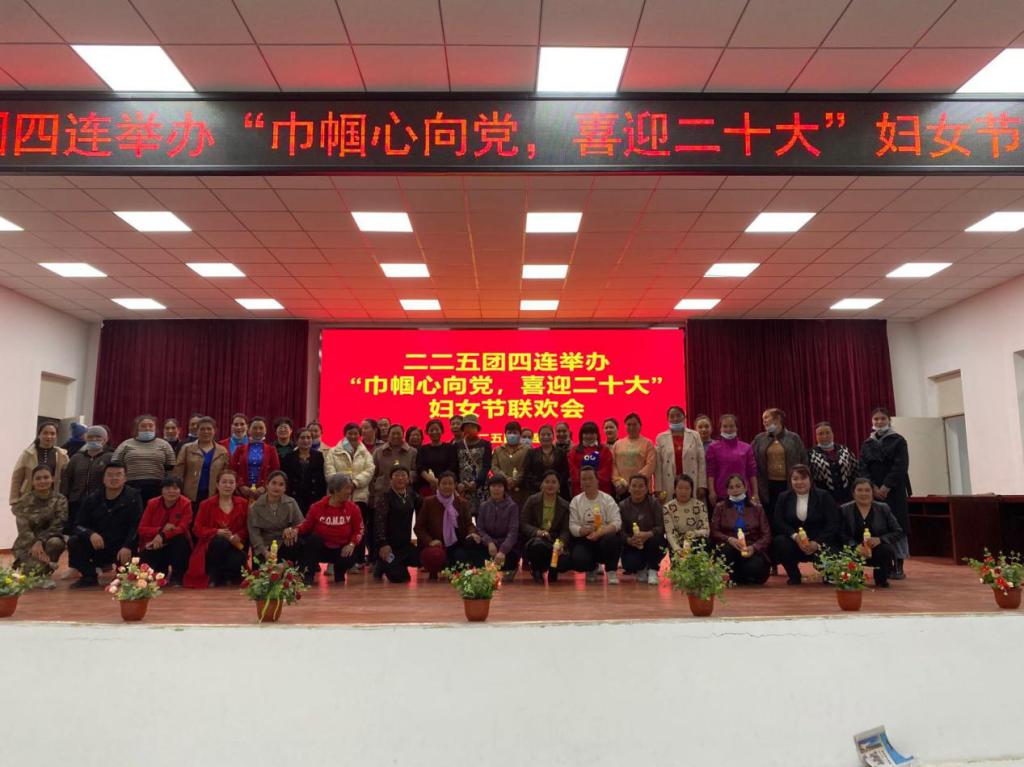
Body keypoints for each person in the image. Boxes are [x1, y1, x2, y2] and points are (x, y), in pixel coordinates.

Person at [68, 462, 143, 588]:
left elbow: (136, 525)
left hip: (122, 546)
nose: (114, 478)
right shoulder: (92, 498)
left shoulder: (134, 497)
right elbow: (77, 525)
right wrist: (91, 534)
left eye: (118, 475)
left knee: (126, 577)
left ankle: (122, 573)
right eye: (110, 475)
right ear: (103, 479)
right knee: (74, 541)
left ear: (125, 478)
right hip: (99, 544)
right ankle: (89, 576)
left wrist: (128, 546)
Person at [859, 407, 911, 579]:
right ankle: (885, 564)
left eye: (882, 418)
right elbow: (863, 467)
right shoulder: (867, 443)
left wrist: (886, 486)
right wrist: (872, 487)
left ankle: (899, 565)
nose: (879, 422)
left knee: (898, 526)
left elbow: (901, 466)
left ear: (889, 420)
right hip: (873, 492)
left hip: (894, 491)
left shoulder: (898, 441)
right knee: (879, 527)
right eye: (876, 419)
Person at [771, 464, 840, 585]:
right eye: (795, 479)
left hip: (820, 542)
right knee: (779, 542)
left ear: (810, 479)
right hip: (795, 543)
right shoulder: (783, 497)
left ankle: (828, 573)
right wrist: (795, 536)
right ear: (790, 481)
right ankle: (794, 576)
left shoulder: (824, 496)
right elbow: (778, 521)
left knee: (830, 575)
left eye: (803, 478)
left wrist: (816, 543)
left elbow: (833, 524)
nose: (799, 482)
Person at [184, 469, 248, 588]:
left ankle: (228, 576)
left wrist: (239, 536)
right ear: (217, 485)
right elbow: (197, 528)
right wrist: (216, 532)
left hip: (234, 544)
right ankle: (214, 574)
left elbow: (246, 527)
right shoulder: (206, 504)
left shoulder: (243, 503)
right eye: (224, 482)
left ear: (235, 485)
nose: (228, 485)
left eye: (231, 482)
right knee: (220, 541)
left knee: (239, 558)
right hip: (210, 545)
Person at [414, 471, 485, 578]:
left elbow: (469, 524)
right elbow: (419, 528)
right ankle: (434, 571)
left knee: (465, 554)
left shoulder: (462, 503)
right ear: (438, 485)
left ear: (455, 485)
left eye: (450, 483)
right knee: (434, 556)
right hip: (437, 545)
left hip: (457, 544)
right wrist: (430, 541)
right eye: (444, 483)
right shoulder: (429, 502)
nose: (447, 486)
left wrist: (472, 533)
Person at [297, 473, 363, 585]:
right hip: (322, 549)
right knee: (312, 539)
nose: (349, 492)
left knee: (354, 548)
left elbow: (359, 530)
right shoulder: (316, 507)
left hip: (342, 549)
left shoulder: (354, 508)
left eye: (350, 488)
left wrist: (352, 544)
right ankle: (308, 574)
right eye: (346, 488)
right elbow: (305, 527)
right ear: (336, 490)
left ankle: (340, 572)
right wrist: (294, 530)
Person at [324, 422, 376, 556]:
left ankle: (358, 559)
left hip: (359, 496)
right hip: (337, 497)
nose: (353, 436)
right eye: (350, 433)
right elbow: (329, 471)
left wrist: (355, 483)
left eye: (355, 434)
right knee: (337, 528)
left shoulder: (365, 453)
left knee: (358, 528)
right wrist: (342, 486)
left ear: (360, 435)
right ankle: (334, 557)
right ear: (345, 434)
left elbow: (369, 470)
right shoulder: (333, 451)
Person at [11, 465, 67, 586]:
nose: (42, 481)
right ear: (32, 481)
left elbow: (58, 525)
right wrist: (34, 543)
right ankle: (35, 569)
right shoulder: (24, 501)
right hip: (27, 544)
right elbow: (24, 530)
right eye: (38, 478)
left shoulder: (60, 500)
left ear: (52, 479)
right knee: (28, 573)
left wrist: (40, 541)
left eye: (46, 477)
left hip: (48, 541)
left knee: (56, 542)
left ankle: (44, 575)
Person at [840, 478, 902, 588]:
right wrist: (854, 546)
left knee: (886, 550)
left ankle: (881, 578)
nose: (864, 493)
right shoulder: (844, 509)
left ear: (872, 493)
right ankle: (855, 576)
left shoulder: (883, 508)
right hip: (854, 550)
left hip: (877, 550)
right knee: (853, 584)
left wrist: (880, 539)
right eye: (860, 490)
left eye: (867, 490)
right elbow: (840, 533)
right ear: (853, 493)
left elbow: (897, 531)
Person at [710, 474, 771, 585]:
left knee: (755, 569)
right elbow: (714, 532)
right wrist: (729, 539)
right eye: (731, 487)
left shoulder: (757, 508)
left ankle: (744, 575)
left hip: (751, 547)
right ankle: (735, 575)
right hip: (730, 547)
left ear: (745, 487)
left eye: (738, 486)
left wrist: (754, 547)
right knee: (726, 551)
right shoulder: (720, 507)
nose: (735, 490)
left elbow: (766, 535)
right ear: (727, 491)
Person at [751, 408, 807, 526]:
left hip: (789, 483)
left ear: (777, 419)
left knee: (789, 514)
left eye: (766, 417)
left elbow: (803, 459)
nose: (764, 421)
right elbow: (751, 460)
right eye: (763, 419)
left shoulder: (793, 438)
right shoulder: (759, 439)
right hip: (767, 485)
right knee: (771, 516)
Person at [568, 465, 623, 584]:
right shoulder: (575, 501)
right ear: (580, 483)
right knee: (579, 560)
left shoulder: (607, 499)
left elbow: (617, 522)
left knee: (612, 539)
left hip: (604, 538)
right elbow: (572, 526)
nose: (587, 482)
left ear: (597, 481)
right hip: (585, 538)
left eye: (590, 478)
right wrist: (584, 530)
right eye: (584, 479)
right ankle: (591, 568)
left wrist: (600, 532)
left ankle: (611, 571)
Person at [372, 424, 417, 562]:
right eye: (393, 433)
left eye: (399, 433)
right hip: (382, 493)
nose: (396, 436)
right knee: (380, 525)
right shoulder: (378, 451)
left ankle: (398, 557)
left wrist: (405, 479)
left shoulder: (412, 452)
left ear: (403, 435)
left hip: (403, 495)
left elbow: (415, 471)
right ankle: (378, 558)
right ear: (388, 435)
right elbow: (373, 473)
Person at [137, 476, 193, 586]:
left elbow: (182, 528)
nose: (171, 491)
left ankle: (177, 576)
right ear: (161, 490)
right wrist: (160, 530)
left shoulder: (186, 504)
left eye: (175, 488)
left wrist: (163, 535)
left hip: (175, 544)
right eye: (167, 488)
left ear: (180, 490)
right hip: (154, 543)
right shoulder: (152, 503)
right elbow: (142, 529)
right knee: (149, 578)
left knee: (180, 539)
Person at [520, 470, 572, 583]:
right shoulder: (532, 500)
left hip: (555, 540)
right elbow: (524, 523)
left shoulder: (565, 505)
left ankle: (553, 569)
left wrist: (561, 543)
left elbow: (565, 530)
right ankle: (537, 569)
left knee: (565, 561)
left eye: (554, 482)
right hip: (537, 538)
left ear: (559, 486)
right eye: (547, 482)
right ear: (542, 485)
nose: (550, 485)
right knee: (538, 546)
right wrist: (537, 532)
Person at [112, 414, 176, 504]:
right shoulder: (125, 444)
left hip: (157, 487)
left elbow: (171, 468)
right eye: (143, 426)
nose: (147, 428)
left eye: (151, 426)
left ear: (155, 428)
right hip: (130, 487)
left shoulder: (164, 445)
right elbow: (115, 465)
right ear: (137, 428)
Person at [374, 465, 421, 583]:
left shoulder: (412, 495)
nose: (400, 478)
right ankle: (381, 563)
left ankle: (394, 563)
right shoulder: (385, 497)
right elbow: (379, 522)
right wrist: (383, 544)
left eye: (403, 475)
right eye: (396, 475)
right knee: (401, 578)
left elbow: (425, 507)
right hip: (388, 546)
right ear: (391, 479)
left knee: (422, 559)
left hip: (405, 544)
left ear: (408, 479)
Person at [61, 425, 112, 532]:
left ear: (105, 439)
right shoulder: (76, 458)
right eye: (90, 437)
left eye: (98, 437)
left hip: (100, 502)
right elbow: (67, 478)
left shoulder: (110, 457)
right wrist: (66, 497)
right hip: (77, 502)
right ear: (86, 438)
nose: (94, 439)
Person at [247, 470, 304, 565]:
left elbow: (301, 524)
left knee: (298, 542)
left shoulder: (291, 503)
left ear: (285, 488)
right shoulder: (254, 507)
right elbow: (254, 535)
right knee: (263, 572)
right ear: (267, 485)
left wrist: (292, 530)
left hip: (285, 543)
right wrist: (265, 552)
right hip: (264, 546)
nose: (277, 487)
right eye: (273, 483)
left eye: (281, 484)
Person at [618, 474, 666, 585]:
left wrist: (648, 534)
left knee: (657, 540)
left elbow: (661, 527)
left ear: (646, 489)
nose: (637, 489)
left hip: (652, 541)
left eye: (641, 486)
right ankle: (641, 568)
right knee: (630, 564)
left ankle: (653, 569)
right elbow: (620, 531)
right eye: (634, 486)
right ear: (629, 488)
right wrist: (629, 540)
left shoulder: (654, 503)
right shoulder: (622, 506)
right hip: (633, 543)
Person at [174, 417, 229, 508]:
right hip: (189, 495)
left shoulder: (222, 451)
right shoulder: (187, 448)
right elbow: (178, 472)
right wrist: (178, 490)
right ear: (197, 431)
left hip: (213, 494)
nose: (206, 432)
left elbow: (225, 474)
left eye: (209, 429)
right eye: (202, 429)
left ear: (214, 431)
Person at [705, 414, 759, 507]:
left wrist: (755, 493)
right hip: (721, 493)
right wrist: (712, 491)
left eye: (731, 426)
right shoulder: (713, 447)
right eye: (725, 426)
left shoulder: (747, 447)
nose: (728, 429)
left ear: (736, 428)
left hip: (743, 493)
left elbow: (752, 473)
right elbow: (711, 472)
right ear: (720, 429)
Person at [654, 406, 706, 503]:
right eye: (672, 416)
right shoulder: (661, 437)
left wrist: (702, 485)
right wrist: (658, 488)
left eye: (678, 415)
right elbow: (658, 465)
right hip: (669, 481)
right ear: (667, 418)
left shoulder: (695, 435)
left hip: (691, 478)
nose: (675, 419)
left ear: (684, 417)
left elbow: (701, 462)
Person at [10, 421, 68, 506]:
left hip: (52, 502)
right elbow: (17, 478)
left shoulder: (62, 455)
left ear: (56, 436)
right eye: (45, 433)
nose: (49, 436)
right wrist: (14, 500)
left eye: (52, 434)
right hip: (28, 499)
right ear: (39, 435)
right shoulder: (28, 454)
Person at [476, 475, 521, 580]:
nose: (496, 489)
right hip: (488, 545)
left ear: (504, 489)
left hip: (506, 545)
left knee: (510, 558)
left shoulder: (512, 507)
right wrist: (489, 542)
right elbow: (480, 528)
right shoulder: (484, 506)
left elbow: (513, 532)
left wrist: (503, 550)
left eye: (500, 486)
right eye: (493, 486)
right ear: (489, 488)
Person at [230, 416, 281, 500]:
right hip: (242, 492)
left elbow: (275, 471)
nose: (258, 431)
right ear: (249, 430)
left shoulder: (271, 450)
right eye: (254, 428)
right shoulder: (240, 449)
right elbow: (232, 470)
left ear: (265, 430)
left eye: (261, 428)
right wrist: (241, 485)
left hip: (264, 493)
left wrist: (265, 487)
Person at [809, 421, 858, 505]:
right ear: (816, 436)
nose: (825, 436)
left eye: (827, 432)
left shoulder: (845, 450)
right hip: (823, 499)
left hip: (848, 497)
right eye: (820, 434)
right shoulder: (810, 454)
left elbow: (856, 471)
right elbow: (810, 478)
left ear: (832, 434)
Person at [662, 474, 709, 557]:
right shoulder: (667, 508)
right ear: (675, 489)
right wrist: (677, 549)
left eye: (687, 488)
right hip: (677, 542)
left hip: (695, 540)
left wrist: (694, 533)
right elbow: (669, 533)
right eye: (680, 488)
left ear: (691, 490)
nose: (683, 492)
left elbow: (706, 530)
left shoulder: (700, 505)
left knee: (704, 542)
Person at [281, 428, 326, 514]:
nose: (305, 440)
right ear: (297, 440)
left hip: (314, 497)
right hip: (294, 497)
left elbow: (322, 479)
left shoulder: (319, 456)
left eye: (308, 437)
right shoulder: (289, 457)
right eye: (302, 438)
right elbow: (285, 478)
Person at [612, 412, 656, 500]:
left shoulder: (648, 443)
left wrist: (635, 482)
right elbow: (613, 465)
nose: (632, 427)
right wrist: (619, 482)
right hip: (622, 489)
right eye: (629, 425)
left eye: (635, 424)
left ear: (640, 426)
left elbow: (651, 465)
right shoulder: (617, 444)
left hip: (641, 488)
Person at [523, 424, 570, 500]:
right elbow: (527, 473)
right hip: (536, 492)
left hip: (559, 493)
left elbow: (565, 473)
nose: (546, 437)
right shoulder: (531, 453)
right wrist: (541, 485)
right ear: (538, 437)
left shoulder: (561, 453)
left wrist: (555, 485)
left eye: (548, 434)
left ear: (553, 436)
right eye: (543, 435)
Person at [455, 414, 491, 513]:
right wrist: (459, 483)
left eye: (472, 426)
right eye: (466, 426)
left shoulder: (485, 444)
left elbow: (486, 466)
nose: (469, 429)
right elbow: (455, 466)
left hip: (480, 486)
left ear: (477, 429)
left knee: (482, 515)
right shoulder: (457, 445)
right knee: (463, 516)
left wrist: (476, 483)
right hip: (463, 487)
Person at [414, 419, 459, 498]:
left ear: (442, 431)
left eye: (437, 429)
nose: (434, 432)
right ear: (427, 432)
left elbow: (453, 466)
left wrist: (440, 481)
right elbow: (420, 467)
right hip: (427, 486)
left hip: (446, 486)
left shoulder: (450, 447)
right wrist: (431, 480)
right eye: (431, 430)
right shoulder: (422, 449)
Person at [568, 421, 614, 496]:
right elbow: (573, 471)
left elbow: (607, 471)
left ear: (597, 435)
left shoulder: (605, 450)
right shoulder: (574, 451)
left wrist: (591, 480)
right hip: (579, 490)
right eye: (586, 434)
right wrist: (585, 480)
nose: (589, 436)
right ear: (581, 435)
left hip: (601, 489)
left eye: (592, 433)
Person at [492, 421, 530, 510]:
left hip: (522, 490)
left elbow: (527, 468)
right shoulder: (498, 450)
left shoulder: (527, 450)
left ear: (520, 434)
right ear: (505, 434)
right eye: (509, 433)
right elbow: (494, 466)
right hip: (503, 490)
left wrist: (516, 480)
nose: (512, 435)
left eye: (515, 432)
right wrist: (505, 479)